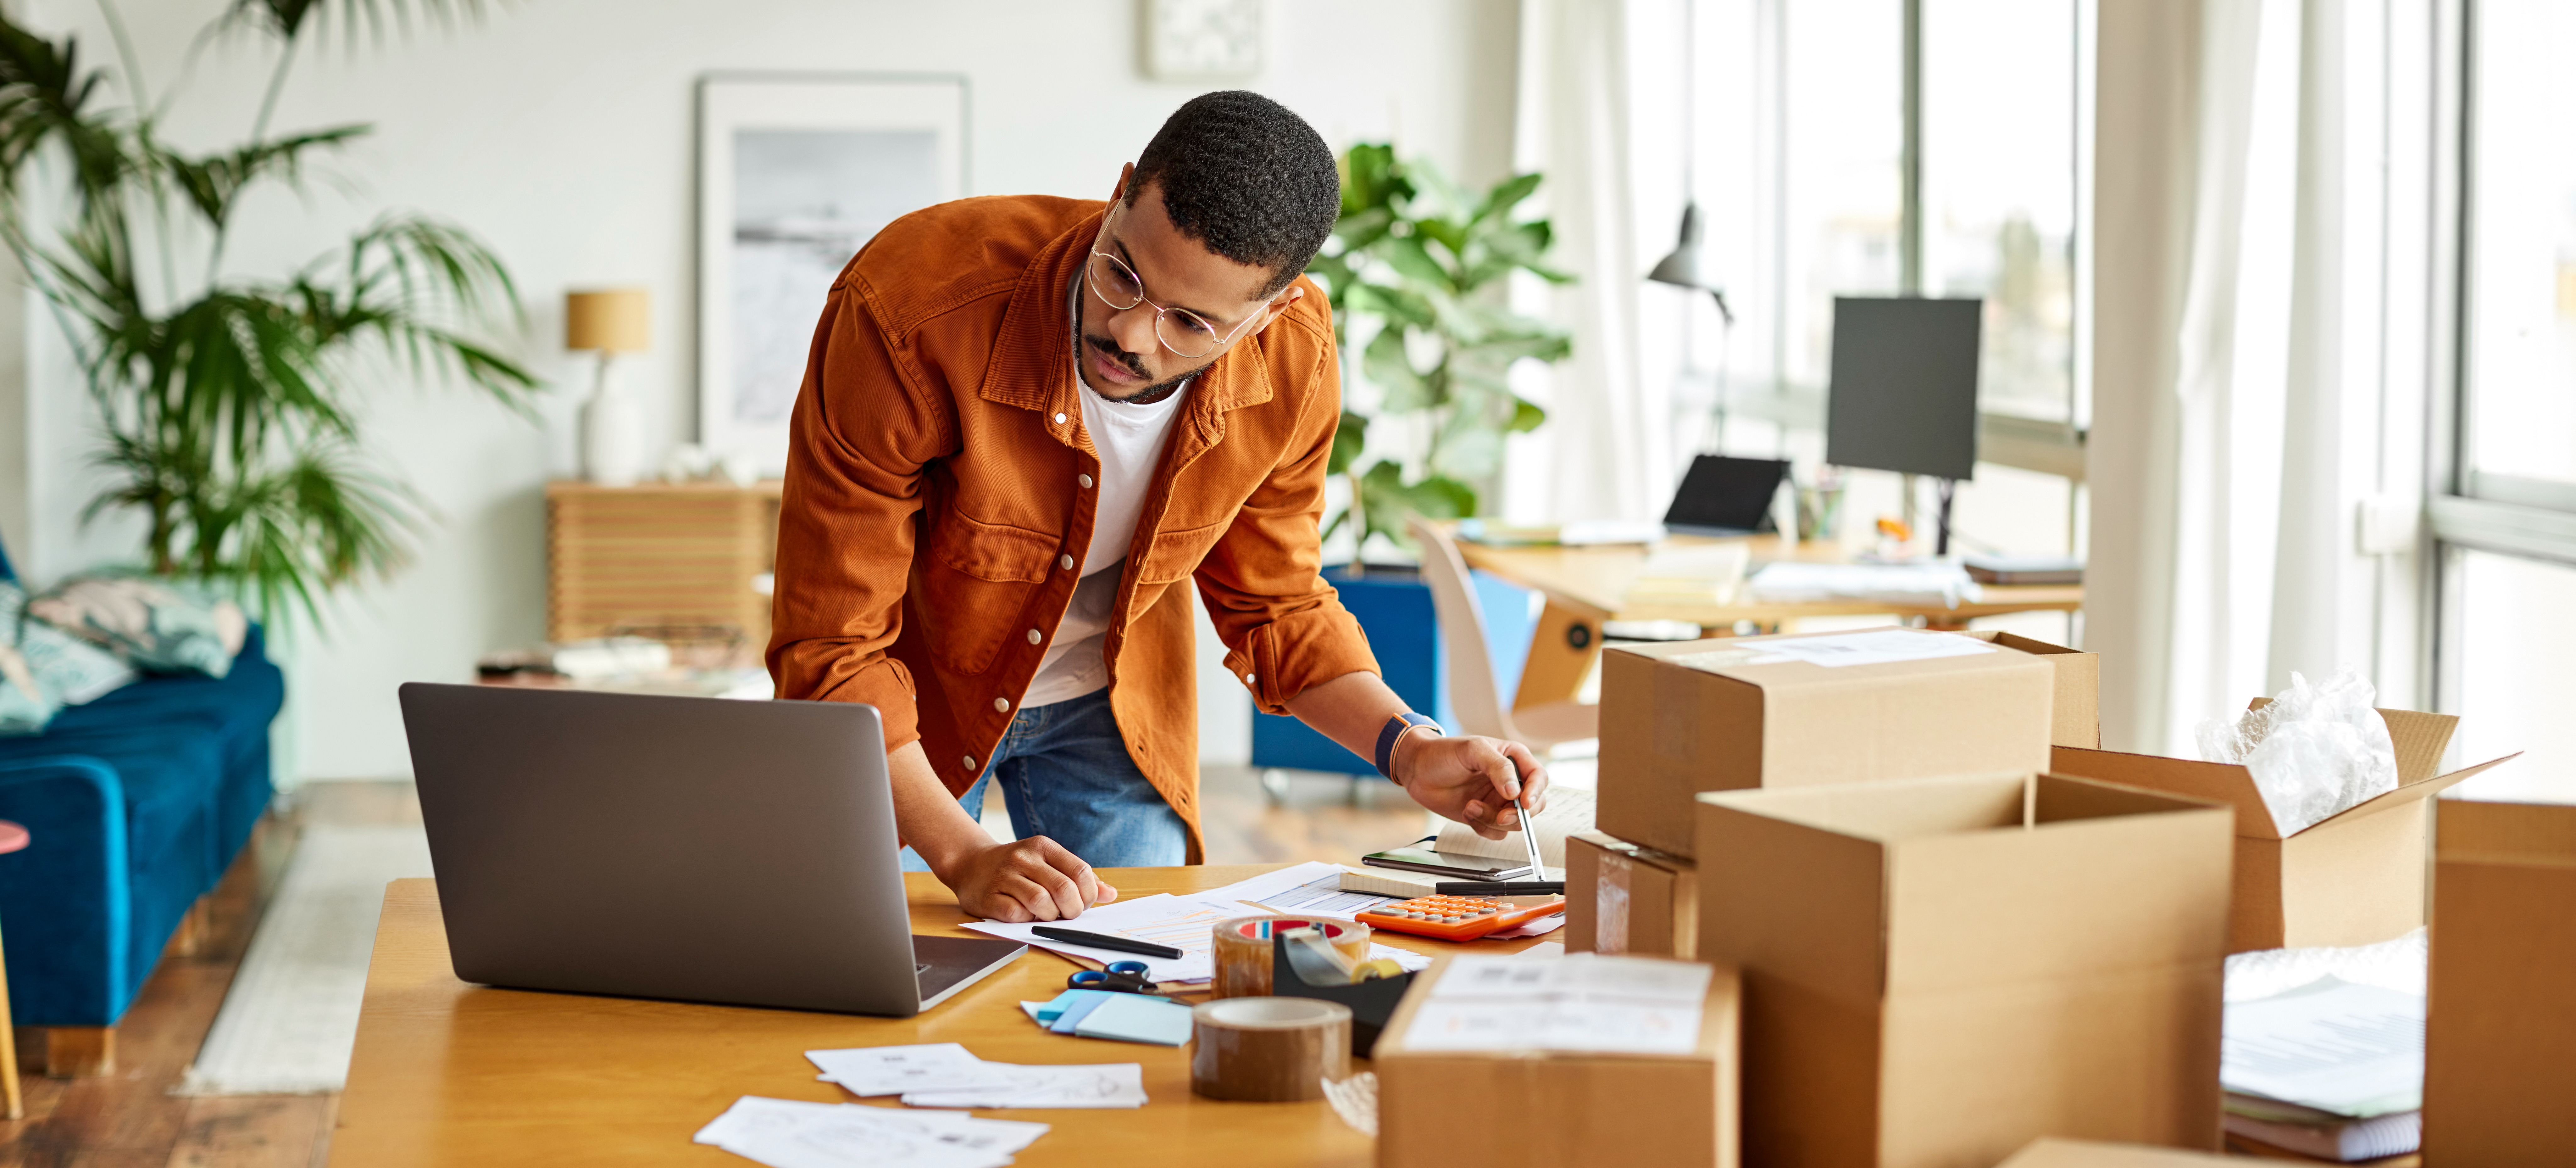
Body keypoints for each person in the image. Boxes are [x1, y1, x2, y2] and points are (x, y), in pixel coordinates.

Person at [768, 90, 1550, 924]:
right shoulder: (911, 309)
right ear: (1121, 192)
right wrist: (963, 854)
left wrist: (1410, 747)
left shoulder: (1295, 357)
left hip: (1116, 707)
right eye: (1122, 274)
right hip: (905, 713)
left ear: (1270, 311)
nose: (1133, 334)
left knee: (1125, 978)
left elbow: (1276, 603)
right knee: (857, 966)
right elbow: (830, 646)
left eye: (1188, 321)